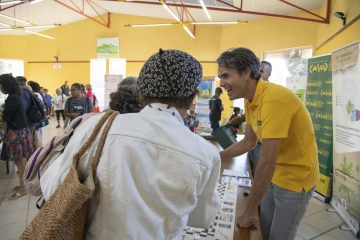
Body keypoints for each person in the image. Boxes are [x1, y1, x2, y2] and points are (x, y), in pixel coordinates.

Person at [41, 49, 221, 239]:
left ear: (142, 91)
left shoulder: (97, 128)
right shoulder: (205, 153)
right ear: (193, 95)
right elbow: (202, 219)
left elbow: (53, 187)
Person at [217, 47, 319, 240]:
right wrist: (216, 155)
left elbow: (267, 161)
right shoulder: (250, 98)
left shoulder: (273, 100)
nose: (221, 83)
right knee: (263, 230)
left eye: (225, 76)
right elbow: (248, 142)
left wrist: (249, 210)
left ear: (245, 72)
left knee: (279, 236)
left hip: (295, 180)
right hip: (274, 175)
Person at [0, 74, 34, 200]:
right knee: (21, 161)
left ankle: (23, 189)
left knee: (19, 162)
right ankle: (23, 184)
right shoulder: (15, 96)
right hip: (20, 131)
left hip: (16, 132)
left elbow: (6, 117)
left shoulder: (12, 98)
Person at [248, 60, 273, 174]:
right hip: (253, 141)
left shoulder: (272, 95)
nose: (258, 74)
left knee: (260, 170)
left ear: (269, 74)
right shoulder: (251, 95)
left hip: (263, 144)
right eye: (257, 71)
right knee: (251, 167)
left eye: (262, 71)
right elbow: (248, 114)